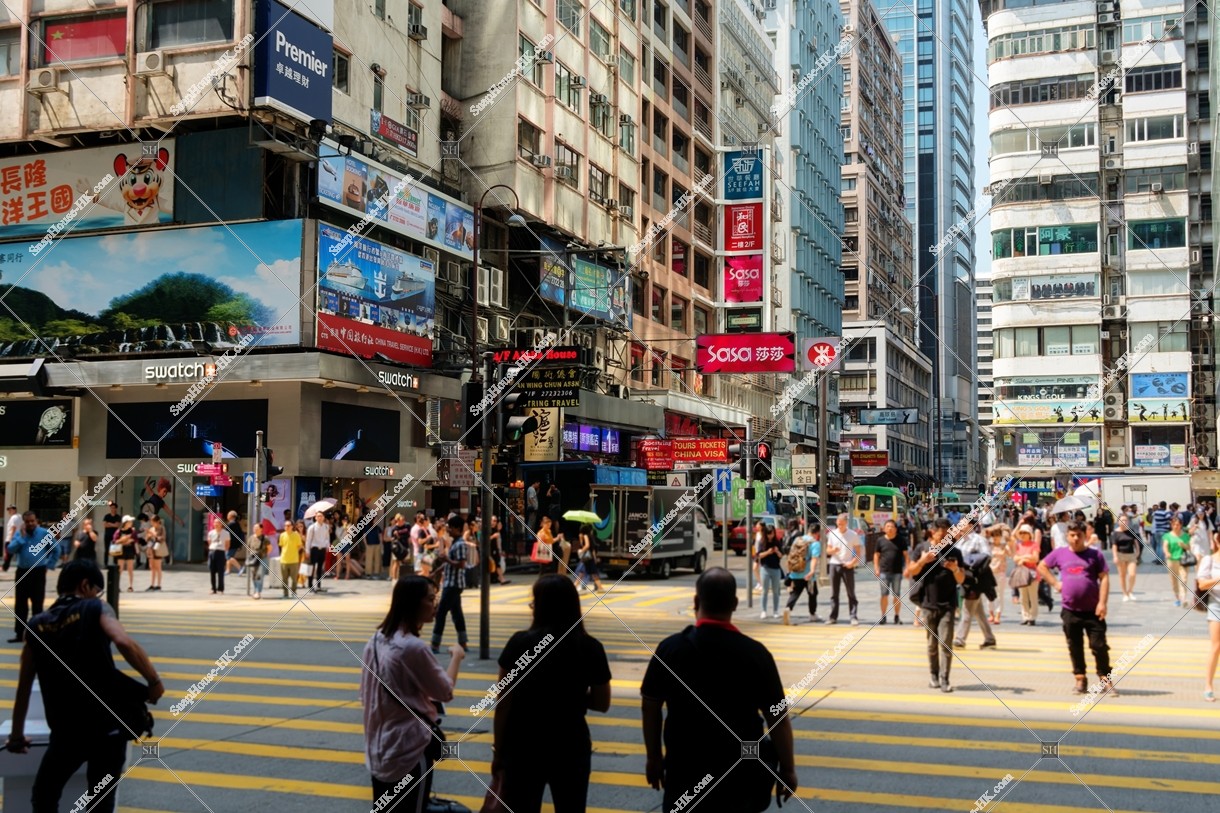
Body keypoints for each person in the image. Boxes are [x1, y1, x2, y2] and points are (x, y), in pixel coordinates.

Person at [5, 560, 163, 813]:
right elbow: (123, 642)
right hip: (108, 729)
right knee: (100, 801)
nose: (98, 596)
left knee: (44, 796)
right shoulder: (95, 607)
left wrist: (16, 736)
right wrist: (154, 681)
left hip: (66, 732)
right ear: (85, 585)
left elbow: (23, 687)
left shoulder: (36, 625)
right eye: (97, 591)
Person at [641, 568, 798, 811]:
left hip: (685, 772)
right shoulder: (756, 654)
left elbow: (650, 706)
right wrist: (787, 769)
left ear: (696, 601)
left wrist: (653, 758)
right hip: (740, 779)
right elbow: (777, 719)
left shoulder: (670, 649)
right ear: (735, 604)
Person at [492, 576, 611, 813]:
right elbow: (602, 703)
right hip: (570, 744)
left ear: (539, 607)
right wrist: (570, 696)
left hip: (523, 744)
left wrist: (499, 751)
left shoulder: (519, 643)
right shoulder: (590, 647)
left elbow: (503, 702)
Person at [361, 576, 465, 813]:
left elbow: (367, 694)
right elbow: (445, 691)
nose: (435, 605)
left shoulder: (376, 640)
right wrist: (456, 657)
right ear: (412, 603)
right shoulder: (413, 648)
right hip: (409, 752)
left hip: (380, 748)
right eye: (430, 599)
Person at [1038, 521, 1115, 696]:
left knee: (1099, 646)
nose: (1075, 538)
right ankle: (1080, 678)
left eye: (1079, 535)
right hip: (1070, 610)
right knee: (1074, 645)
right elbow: (1042, 566)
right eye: (1072, 535)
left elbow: (1104, 578)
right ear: (1067, 536)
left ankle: (1105, 678)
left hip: (1093, 610)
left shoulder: (1094, 555)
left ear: (1085, 535)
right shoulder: (1060, 553)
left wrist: (1102, 603)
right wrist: (1055, 583)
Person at [905, 518, 965, 692]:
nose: (945, 537)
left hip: (948, 604)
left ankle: (945, 679)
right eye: (941, 533)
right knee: (932, 644)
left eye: (948, 533)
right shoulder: (922, 549)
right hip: (928, 604)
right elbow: (910, 571)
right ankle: (933, 675)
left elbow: (961, 579)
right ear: (933, 532)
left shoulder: (955, 552)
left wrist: (955, 569)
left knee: (946, 643)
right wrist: (923, 561)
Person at [6, 511, 56, 644]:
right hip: (22, 572)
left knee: (37, 605)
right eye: (27, 522)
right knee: (20, 605)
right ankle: (19, 634)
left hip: (38, 573)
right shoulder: (19, 534)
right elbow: (10, 549)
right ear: (24, 522)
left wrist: (49, 565)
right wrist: (21, 538)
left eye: (32, 521)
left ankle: (37, 635)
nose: (30, 524)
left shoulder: (44, 533)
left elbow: (56, 549)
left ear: (36, 521)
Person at [430, 516, 469, 654]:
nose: (448, 530)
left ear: (457, 529)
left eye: (450, 528)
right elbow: (450, 563)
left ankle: (435, 644)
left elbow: (461, 564)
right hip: (451, 583)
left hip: (453, 584)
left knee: (441, 613)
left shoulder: (460, 544)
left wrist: (446, 559)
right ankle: (463, 642)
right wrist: (436, 571)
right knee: (457, 613)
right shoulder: (455, 543)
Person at [825, 513, 862, 625]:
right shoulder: (832, 534)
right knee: (834, 593)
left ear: (846, 523)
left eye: (841, 524)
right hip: (834, 564)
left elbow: (858, 552)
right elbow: (828, 550)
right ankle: (833, 617)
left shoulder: (853, 535)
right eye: (838, 524)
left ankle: (853, 616)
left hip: (847, 565)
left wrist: (852, 563)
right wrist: (833, 551)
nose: (839, 526)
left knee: (851, 592)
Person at [783, 523, 821, 625]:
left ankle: (788, 608)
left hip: (795, 572)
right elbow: (814, 559)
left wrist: (790, 570)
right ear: (817, 533)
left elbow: (791, 555)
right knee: (812, 594)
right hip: (808, 576)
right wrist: (812, 571)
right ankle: (812, 614)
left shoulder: (797, 540)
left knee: (795, 593)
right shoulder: (815, 543)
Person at [1198, 531, 1220, 702]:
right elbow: (1202, 584)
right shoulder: (1209, 560)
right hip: (1216, 605)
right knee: (1216, 646)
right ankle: (1208, 686)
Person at [874, 519, 909, 625]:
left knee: (897, 595)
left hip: (897, 572)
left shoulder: (901, 540)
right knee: (884, 595)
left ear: (895, 529)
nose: (890, 528)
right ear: (884, 529)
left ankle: (897, 616)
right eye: (888, 526)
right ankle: (883, 616)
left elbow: (906, 555)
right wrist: (876, 568)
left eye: (892, 526)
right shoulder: (880, 540)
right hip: (884, 571)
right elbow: (876, 555)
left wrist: (907, 568)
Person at [1012, 524, 1041, 625]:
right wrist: (1027, 557)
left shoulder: (1034, 545)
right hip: (1021, 573)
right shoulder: (1018, 545)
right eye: (1021, 533)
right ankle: (1025, 616)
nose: (1023, 535)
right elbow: (1015, 558)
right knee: (1023, 597)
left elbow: (1035, 558)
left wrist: (1023, 559)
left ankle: (1032, 617)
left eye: (1025, 533)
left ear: (1029, 534)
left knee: (1033, 597)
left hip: (1032, 573)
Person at [1162, 516, 1192, 607]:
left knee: (1184, 579)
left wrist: (1183, 545)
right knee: (1174, 580)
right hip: (1171, 560)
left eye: (1178, 524)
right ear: (1171, 525)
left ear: (1181, 525)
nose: (1176, 526)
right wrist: (1167, 553)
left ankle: (1184, 598)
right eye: (1174, 524)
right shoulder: (1167, 536)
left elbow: (1189, 547)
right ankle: (1177, 598)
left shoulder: (1185, 536)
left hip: (1183, 560)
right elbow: (1165, 546)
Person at [1110, 513, 1141, 601]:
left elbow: (1135, 542)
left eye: (1125, 520)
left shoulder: (1131, 531)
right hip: (1120, 555)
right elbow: (1114, 545)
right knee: (1122, 575)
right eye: (1122, 520)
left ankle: (1130, 591)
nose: (1124, 521)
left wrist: (1138, 551)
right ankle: (1124, 594)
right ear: (1118, 521)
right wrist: (1115, 556)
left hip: (1131, 555)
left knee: (1132, 574)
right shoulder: (1115, 533)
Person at [756, 525, 784, 620]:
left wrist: (777, 551)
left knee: (776, 591)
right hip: (765, 568)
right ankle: (763, 611)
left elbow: (781, 556)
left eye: (772, 533)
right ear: (766, 534)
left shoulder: (777, 542)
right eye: (768, 534)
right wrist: (768, 552)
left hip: (776, 569)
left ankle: (775, 611)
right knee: (765, 591)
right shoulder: (762, 542)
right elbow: (759, 555)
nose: (770, 536)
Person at [986, 525, 1011, 624]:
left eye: (998, 535)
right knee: (989, 593)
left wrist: (1007, 542)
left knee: (1000, 595)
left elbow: (1010, 554)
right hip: (989, 573)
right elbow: (984, 533)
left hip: (1000, 573)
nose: (996, 537)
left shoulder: (1004, 546)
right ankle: (991, 613)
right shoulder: (988, 546)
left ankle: (998, 614)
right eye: (994, 535)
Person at [573, 524, 604, 592]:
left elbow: (587, 546)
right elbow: (592, 549)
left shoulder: (586, 536)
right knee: (585, 573)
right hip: (590, 558)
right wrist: (594, 558)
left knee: (586, 573)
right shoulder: (590, 536)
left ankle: (600, 587)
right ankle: (600, 587)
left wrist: (581, 550)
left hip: (587, 558)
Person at [279, 520, 305, 599]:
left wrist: (295, 551)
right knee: (284, 579)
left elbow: (300, 546)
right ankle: (285, 593)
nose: (287, 527)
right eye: (285, 526)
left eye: (288, 525)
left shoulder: (296, 535)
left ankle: (294, 592)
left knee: (294, 579)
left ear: (292, 526)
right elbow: (281, 545)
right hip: (284, 560)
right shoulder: (282, 535)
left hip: (294, 560)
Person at [306, 513, 330, 592]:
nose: (320, 518)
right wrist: (307, 551)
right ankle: (310, 585)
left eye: (321, 516)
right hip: (314, 549)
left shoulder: (326, 527)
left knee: (320, 568)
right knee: (312, 568)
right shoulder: (312, 527)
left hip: (322, 549)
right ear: (315, 518)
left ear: (324, 517)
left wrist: (327, 546)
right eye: (318, 516)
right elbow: (308, 540)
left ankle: (319, 586)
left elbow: (327, 537)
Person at [206, 515, 230, 595]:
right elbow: (209, 542)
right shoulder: (211, 533)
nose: (216, 524)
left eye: (218, 523)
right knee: (212, 571)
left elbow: (227, 544)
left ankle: (221, 589)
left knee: (221, 571)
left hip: (221, 552)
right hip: (212, 552)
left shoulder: (226, 533)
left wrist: (223, 550)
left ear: (221, 524)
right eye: (215, 523)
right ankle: (213, 588)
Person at [114, 515, 138, 593]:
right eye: (129, 521)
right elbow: (115, 541)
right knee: (120, 569)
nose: (131, 523)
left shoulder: (133, 531)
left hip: (130, 551)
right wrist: (124, 540)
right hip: (121, 551)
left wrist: (127, 540)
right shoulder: (119, 531)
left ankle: (130, 586)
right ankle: (117, 586)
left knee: (130, 569)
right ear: (125, 523)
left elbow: (135, 540)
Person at [247, 524, 269, 599]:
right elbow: (248, 547)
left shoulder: (265, 538)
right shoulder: (251, 538)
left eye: (257, 528)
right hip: (253, 559)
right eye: (254, 527)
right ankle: (255, 590)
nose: (255, 529)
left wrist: (264, 555)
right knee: (253, 576)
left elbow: (270, 548)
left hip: (262, 559)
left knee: (259, 576)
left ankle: (258, 592)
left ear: (261, 529)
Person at [145, 515, 166, 591]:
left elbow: (162, 538)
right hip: (151, 549)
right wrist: (148, 535)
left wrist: (153, 534)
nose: (152, 523)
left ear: (157, 521)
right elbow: (147, 539)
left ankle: (159, 585)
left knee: (158, 567)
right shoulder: (151, 528)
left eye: (153, 522)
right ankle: (152, 584)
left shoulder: (161, 528)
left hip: (157, 549)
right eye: (151, 522)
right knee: (152, 567)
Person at [100, 502, 121, 568]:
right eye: (111, 508)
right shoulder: (107, 516)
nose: (112, 509)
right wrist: (113, 524)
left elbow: (117, 525)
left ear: (116, 509)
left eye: (114, 508)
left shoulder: (118, 517)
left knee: (115, 549)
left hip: (115, 535)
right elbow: (105, 525)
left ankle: (115, 564)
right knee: (106, 550)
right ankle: (105, 564)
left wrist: (109, 524)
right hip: (107, 535)